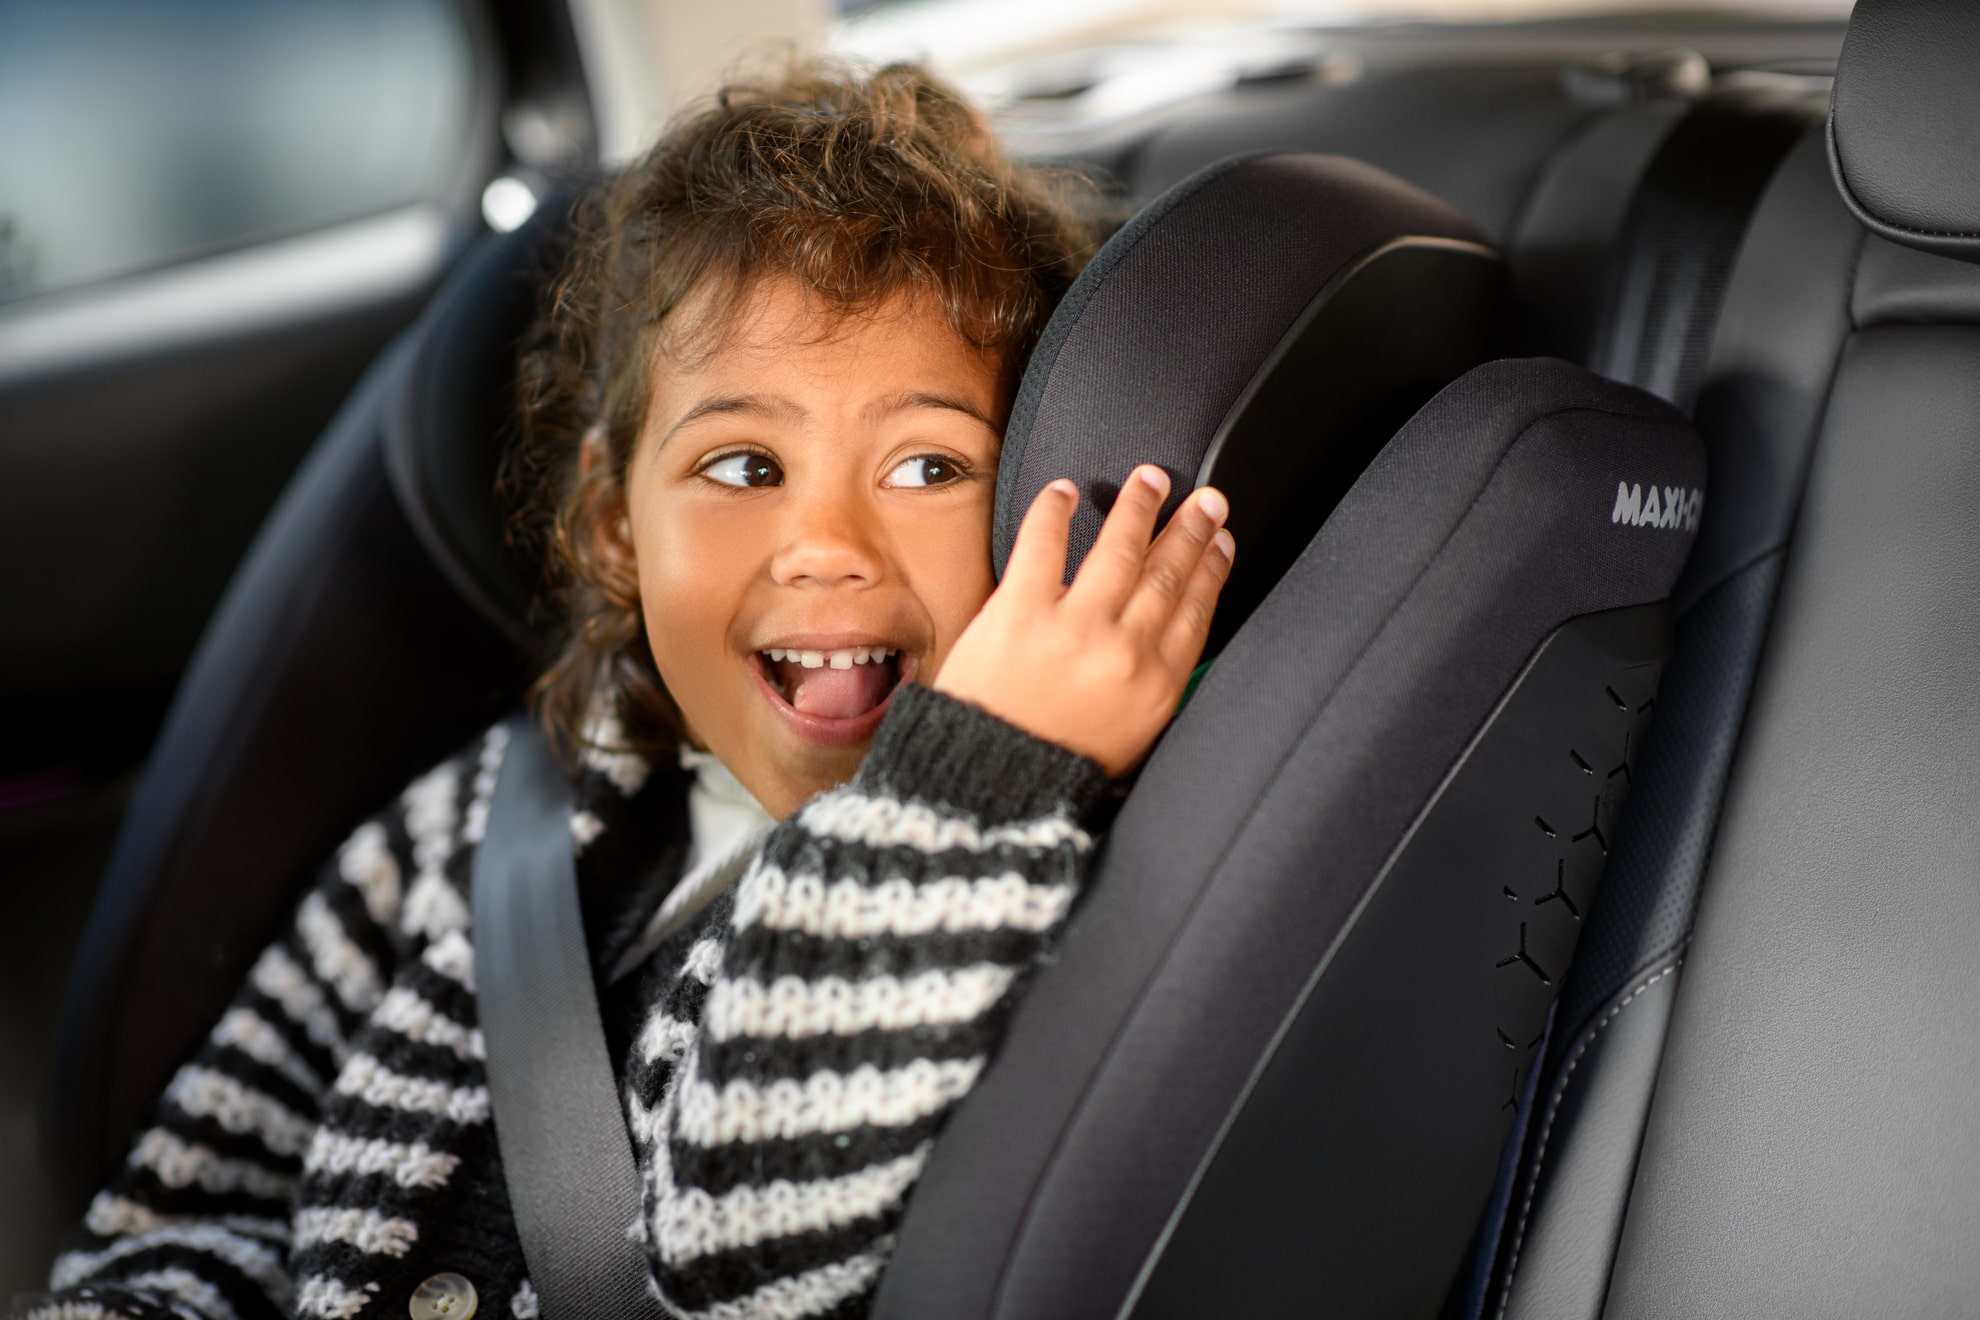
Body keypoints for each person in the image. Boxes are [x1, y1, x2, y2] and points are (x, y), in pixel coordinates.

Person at [17, 61, 1233, 1320]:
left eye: (929, 466)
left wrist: (975, 780)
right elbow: (201, 1206)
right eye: (743, 464)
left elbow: (744, 1245)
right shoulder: (489, 815)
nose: (826, 546)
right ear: (613, 525)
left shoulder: (998, 872)